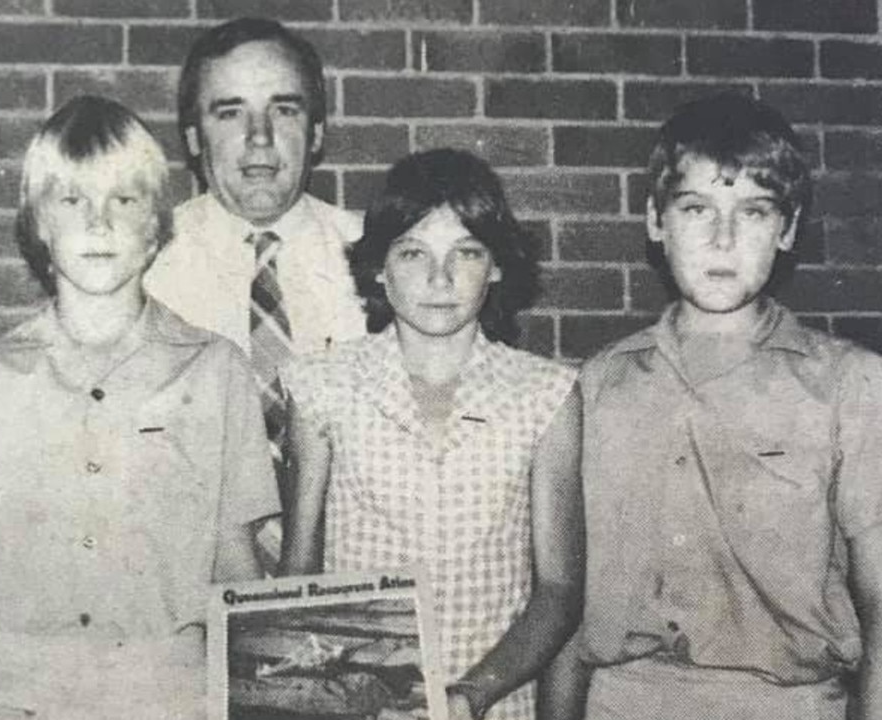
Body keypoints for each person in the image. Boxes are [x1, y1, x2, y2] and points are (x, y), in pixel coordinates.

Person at [0, 95, 278, 720]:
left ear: (156, 226)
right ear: (38, 224)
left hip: (174, 698)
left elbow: (236, 575)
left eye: (124, 199)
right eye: (72, 199)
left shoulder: (216, 372)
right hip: (18, 697)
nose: (99, 222)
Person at [571, 93, 882, 720]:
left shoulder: (852, 385)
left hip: (786, 703)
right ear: (656, 221)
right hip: (623, 701)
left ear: (789, 229)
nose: (723, 238)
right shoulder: (600, 383)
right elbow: (562, 594)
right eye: (696, 208)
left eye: (755, 211)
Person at [279, 148, 584, 720]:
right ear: (378, 267)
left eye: (465, 253)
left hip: (493, 704)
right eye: (413, 252)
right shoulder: (320, 387)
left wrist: (471, 695)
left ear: (495, 266)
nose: (439, 278)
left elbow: (559, 593)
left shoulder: (547, 395)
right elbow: (297, 576)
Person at [143, 16, 367, 564]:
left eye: (284, 110)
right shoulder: (146, 266)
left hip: (357, 576)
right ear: (194, 138)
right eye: (231, 112)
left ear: (316, 133)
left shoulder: (381, 256)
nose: (259, 137)